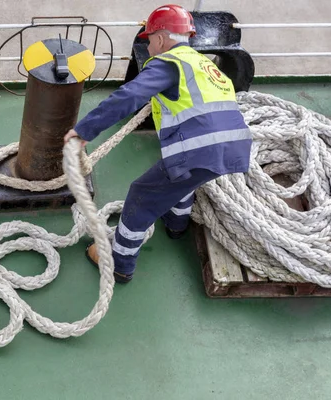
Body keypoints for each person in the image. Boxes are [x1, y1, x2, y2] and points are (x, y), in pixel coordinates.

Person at [63, 4, 252, 284]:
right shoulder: (204, 65)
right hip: (233, 148)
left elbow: (129, 95)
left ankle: (120, 263)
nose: (149, 47)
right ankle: (176, 225)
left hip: (198, 150)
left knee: (142, 196)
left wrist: (83, 131)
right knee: (181, 179)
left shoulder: (169, 63)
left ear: (162, 39)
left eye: (149, 40)